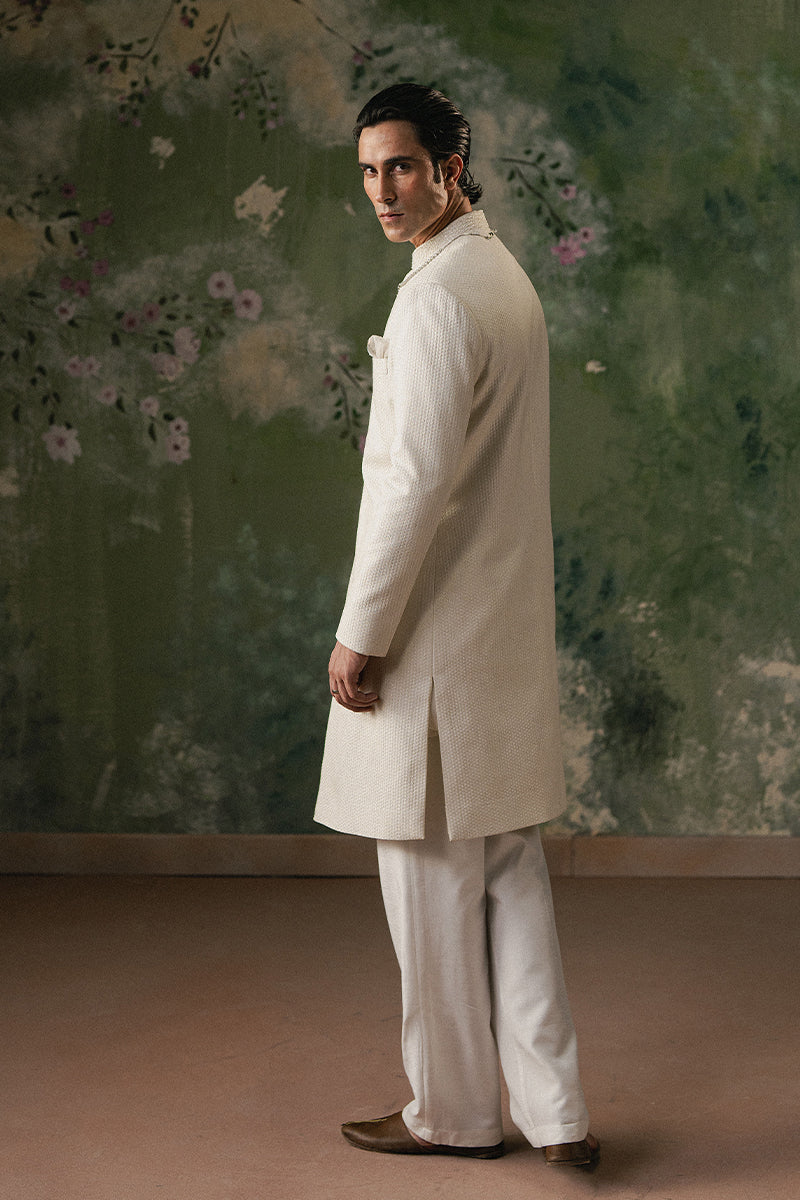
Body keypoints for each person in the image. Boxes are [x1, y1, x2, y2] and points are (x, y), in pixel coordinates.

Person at [314, 82, 598, 1167]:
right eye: (368, 172)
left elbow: (412, 485)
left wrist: (362, 631)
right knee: (511, 880)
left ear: (450, 166)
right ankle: (558, 1117)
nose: (382, 191)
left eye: (400, 167)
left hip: (431, 644)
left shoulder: (437, 297)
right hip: (498, 639)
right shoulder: (503, 277)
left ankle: (454, 1115)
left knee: (431, 894)